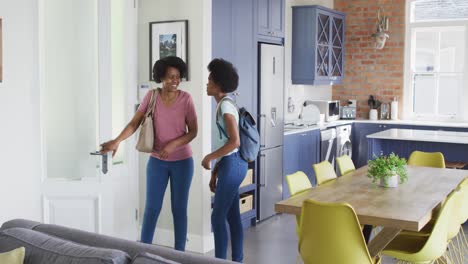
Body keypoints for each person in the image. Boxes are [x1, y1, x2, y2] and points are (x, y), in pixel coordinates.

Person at [100, 56, 197, 251]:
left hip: (183, 162)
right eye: (170, 77)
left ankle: (180, 253)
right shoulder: (152, 96)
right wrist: (116, 141)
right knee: (152, 209)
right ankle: (143, 251)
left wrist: (173, 145)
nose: (174, 81)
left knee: (179, 209)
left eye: (178, 77)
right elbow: (134, 123)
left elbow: (193, 131)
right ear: (161, 77)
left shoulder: (186, 99)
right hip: (157, 163)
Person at [201, 58, 248, 262]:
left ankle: (218, 261)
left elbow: (234, 142)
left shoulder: (226, 108)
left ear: (218, 84)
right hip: (233, 165)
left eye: (210, 79)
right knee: (232, 216)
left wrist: (209, 157)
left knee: (217, 217)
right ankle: (237, 260)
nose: (207, 83)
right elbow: (225, 143)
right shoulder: (224, 104)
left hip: (233, 165)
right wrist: (214, 173)